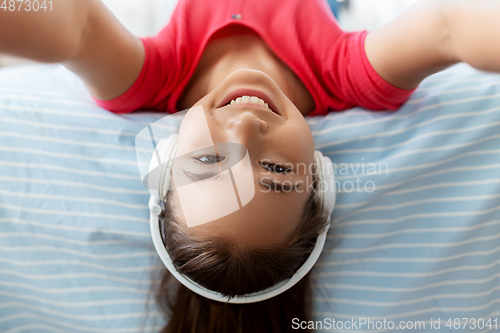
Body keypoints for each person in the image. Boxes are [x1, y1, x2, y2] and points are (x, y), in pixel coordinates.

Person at [1, 0, 500, 331]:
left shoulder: (147, 78)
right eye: (278, 174)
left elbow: (73, 24)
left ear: (167, 155)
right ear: (321, 180)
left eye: (209, 161)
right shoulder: (349, 73)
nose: (244, 130)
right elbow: (448, 27)